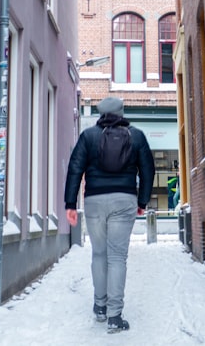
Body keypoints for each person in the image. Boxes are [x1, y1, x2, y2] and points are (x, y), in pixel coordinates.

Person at [64, 96, 155, 333]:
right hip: (124, 200)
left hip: (94, 200)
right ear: (122, 112)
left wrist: (70, 204)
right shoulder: (136, 136)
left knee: (99, 254)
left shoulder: (89, 136)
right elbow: (147, 169)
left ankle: (100, 306)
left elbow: (75, 167)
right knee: (117, 257)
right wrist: (142, 201)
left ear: (100, 113)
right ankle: (115, 316)